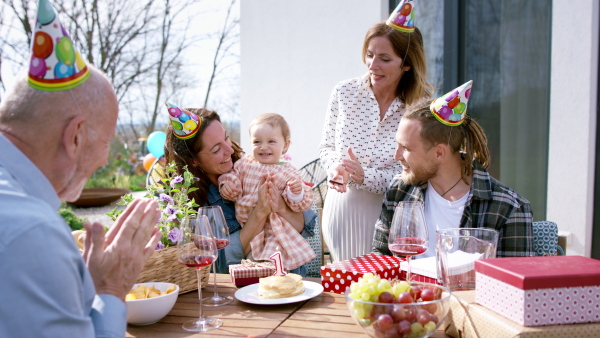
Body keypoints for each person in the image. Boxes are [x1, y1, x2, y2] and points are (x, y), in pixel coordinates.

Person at [0, 2, 161, 333]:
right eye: (105, 142)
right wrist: (111, 290)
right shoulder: (32, 232)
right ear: (74, 136)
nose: (104, 160)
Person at [372, 81, 535, 258]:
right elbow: (380, 259)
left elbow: (515, 283)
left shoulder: (509, 209)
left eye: (406, 148)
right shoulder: (399, 190)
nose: (397, 156)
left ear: (439, 153)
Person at [319, 19, 434, 262]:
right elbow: (327, 146)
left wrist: (365, 176)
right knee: (347, 288)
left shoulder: (420, 107)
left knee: (385, 289)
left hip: (391, 212)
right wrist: (336, 168)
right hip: (342, 208)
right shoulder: (344, 92)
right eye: (369, 55)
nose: (372, 65)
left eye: (384, 58)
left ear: (406, 64)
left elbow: (415, 169)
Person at [163, 106, 317, 276]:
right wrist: (259, 213)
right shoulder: (190, 202)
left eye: (226, 138)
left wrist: (280, 206)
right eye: (216, 149)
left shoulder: (254, 165)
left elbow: (307, 226)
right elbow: (217, 265)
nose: (229, 150)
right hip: (241, 285)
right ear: (194, 162)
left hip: (289, 272)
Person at [219, 113, 315, 271]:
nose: (263, 147)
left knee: (273, 262)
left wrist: (295, 192)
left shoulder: (288, 172)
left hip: (275, 230)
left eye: (271, 141)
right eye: (257, 142)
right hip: (250, 228)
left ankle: (285, 286)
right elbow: (231, 176)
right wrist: (229, 185)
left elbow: (299, 203)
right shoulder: (245, 164)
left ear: (285, 145)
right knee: (252, 264)